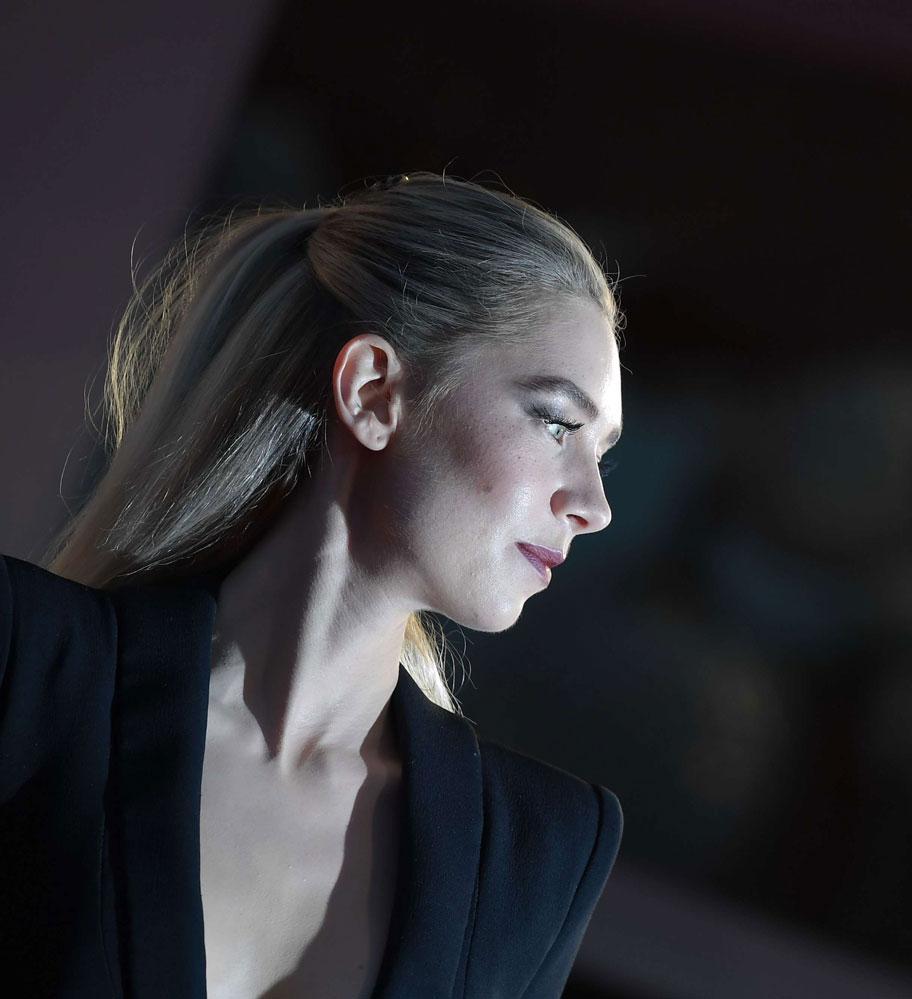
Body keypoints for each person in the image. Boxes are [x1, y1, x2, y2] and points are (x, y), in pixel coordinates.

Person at [0, 173, 626, 998]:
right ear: (373, 391)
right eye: (556, 423)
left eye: (602, 453)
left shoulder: (540, 850)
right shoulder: (29, 667)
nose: (594, 505)